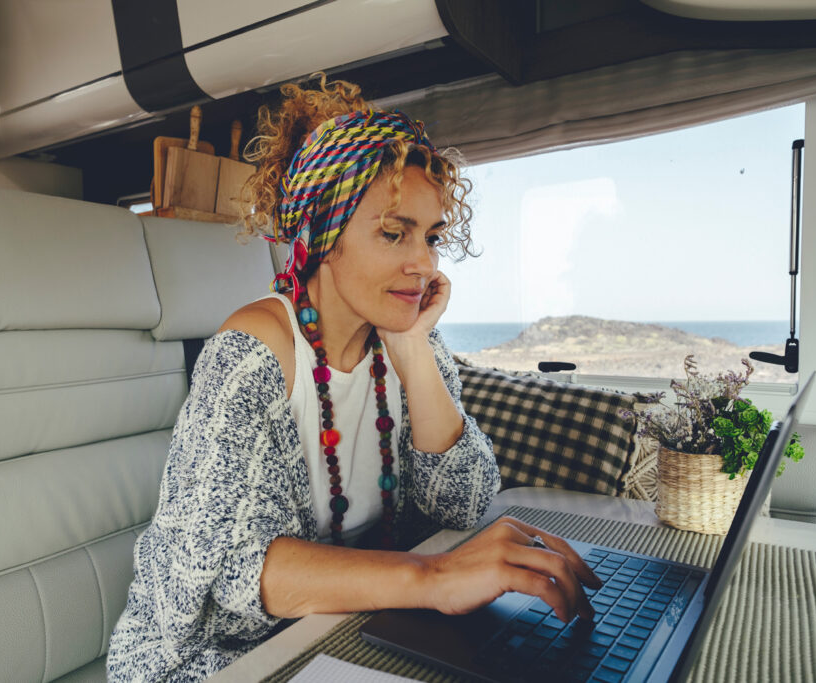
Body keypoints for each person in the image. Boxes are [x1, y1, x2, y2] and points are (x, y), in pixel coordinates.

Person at [107, 75, 601, 682]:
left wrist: (413, 346)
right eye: (394, 233)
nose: (422, 264)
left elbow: (464, 503)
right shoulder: (251, 355)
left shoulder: (405, 338)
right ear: (319, 235)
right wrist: (432, 578)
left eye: (431, 236)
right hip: (208, 659)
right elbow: (220, 577)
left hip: (343, 632)